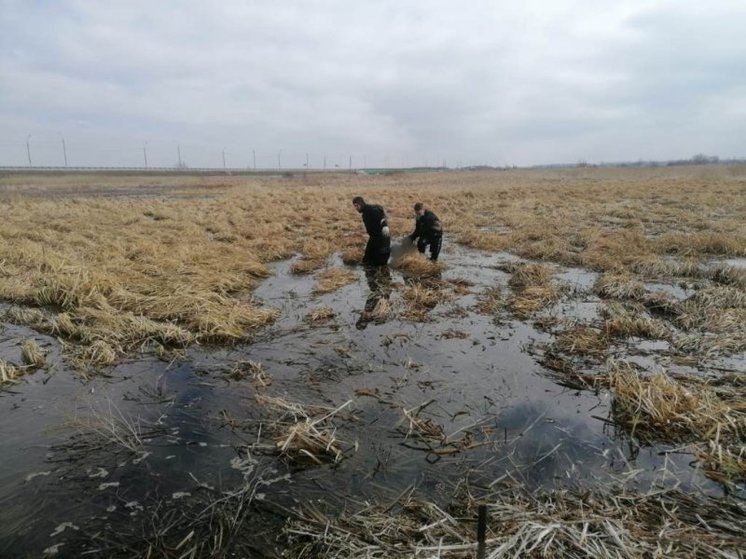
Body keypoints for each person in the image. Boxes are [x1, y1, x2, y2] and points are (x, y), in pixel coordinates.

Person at [352, 196, 391, 267]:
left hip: (382, 238)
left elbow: (381, 216)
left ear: (361, 203)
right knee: (366, 259)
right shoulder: (365, 212)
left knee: (378, 263)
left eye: (357, 205)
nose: (356, 208)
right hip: (373, 237)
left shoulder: (371, 210)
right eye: (355, 206)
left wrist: (385, 225)